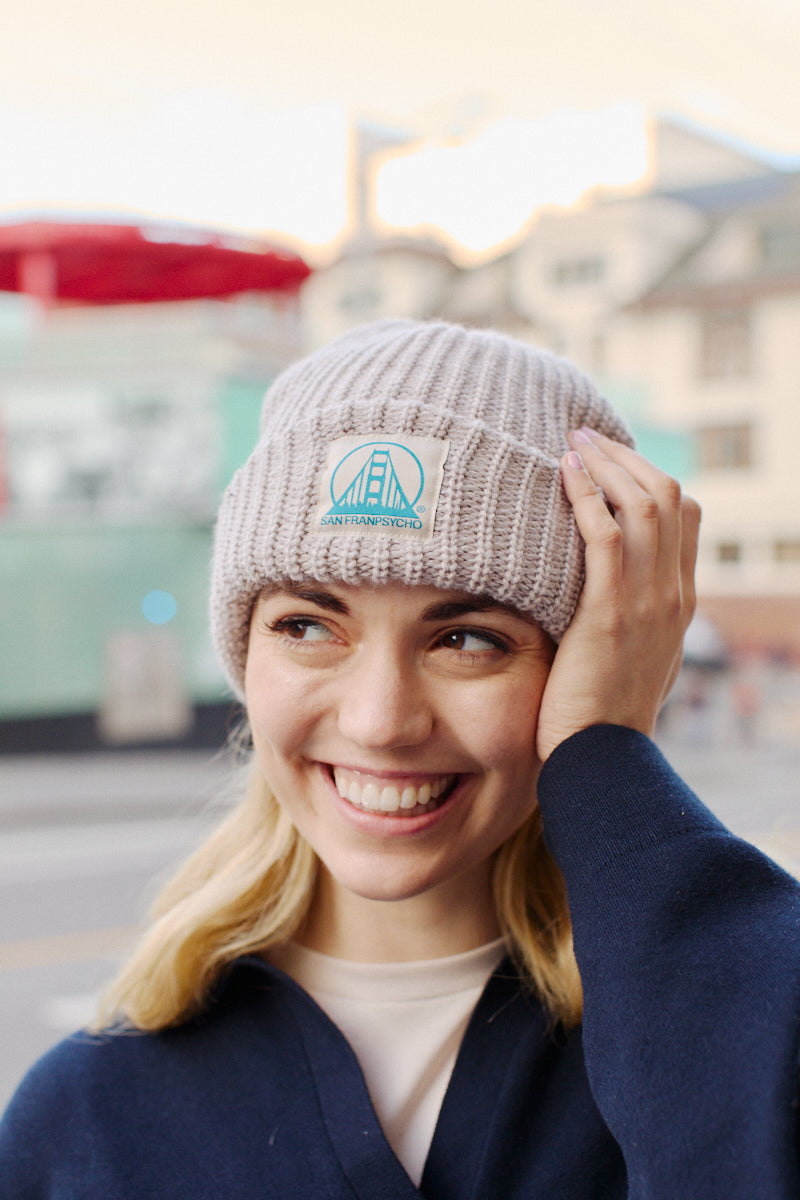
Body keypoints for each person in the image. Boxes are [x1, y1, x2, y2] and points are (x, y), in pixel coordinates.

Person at [1, 319, 798, 1199]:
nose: (381, 721)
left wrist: (607, 758)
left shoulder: (704, 1036)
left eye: (468, 639)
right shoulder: (87, 1122)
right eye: (307, 626)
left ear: (589, 665)